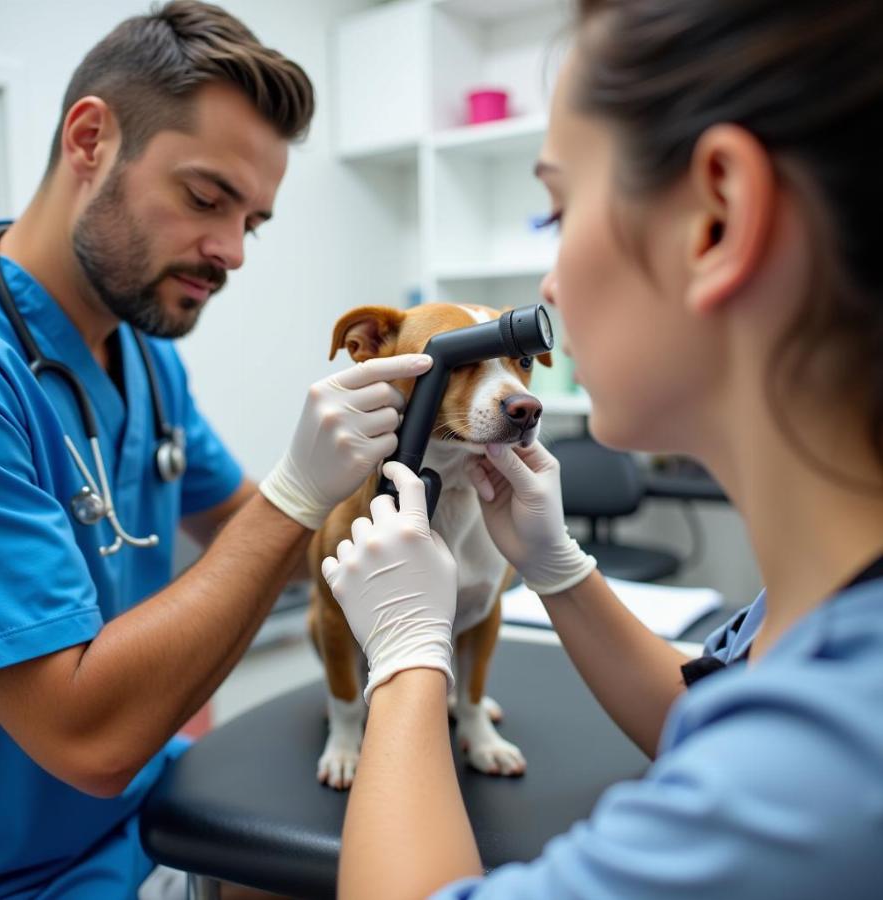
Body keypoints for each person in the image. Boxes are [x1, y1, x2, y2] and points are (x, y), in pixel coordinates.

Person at [320, 0, 883, 897]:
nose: (547, 286)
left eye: (557, 208)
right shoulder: (828, 627)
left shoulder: (826, 770)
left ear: (716, 219)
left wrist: (409, 654)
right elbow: (704, 713)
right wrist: (563, 570)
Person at [0, 2, 432, 897]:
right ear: (89, 140)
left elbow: (250, 531)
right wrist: (299, 493)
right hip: (33, 876)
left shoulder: (144, 354)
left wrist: (435, 528)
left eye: (252, 223)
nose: (229, 252)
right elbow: (90, 739)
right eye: (204, 199)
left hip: (159, 820)